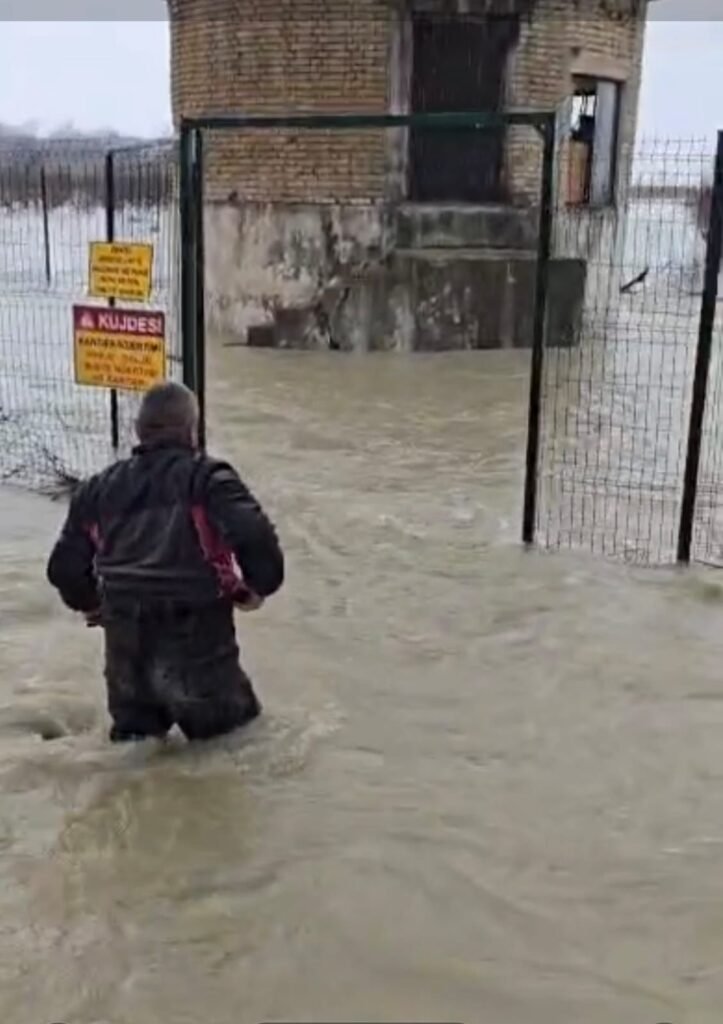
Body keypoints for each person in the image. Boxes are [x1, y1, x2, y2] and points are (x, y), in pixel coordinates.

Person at [46, 381, 284, 743]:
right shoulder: (208, 479)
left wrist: (93, 603)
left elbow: (63, 569)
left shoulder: (95, 490)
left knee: (135, 756)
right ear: (192, 430)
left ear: (139, 431)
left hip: (125, 650)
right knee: (239, 749)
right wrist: (254, 589)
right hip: (198, 645)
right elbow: (256, 539)